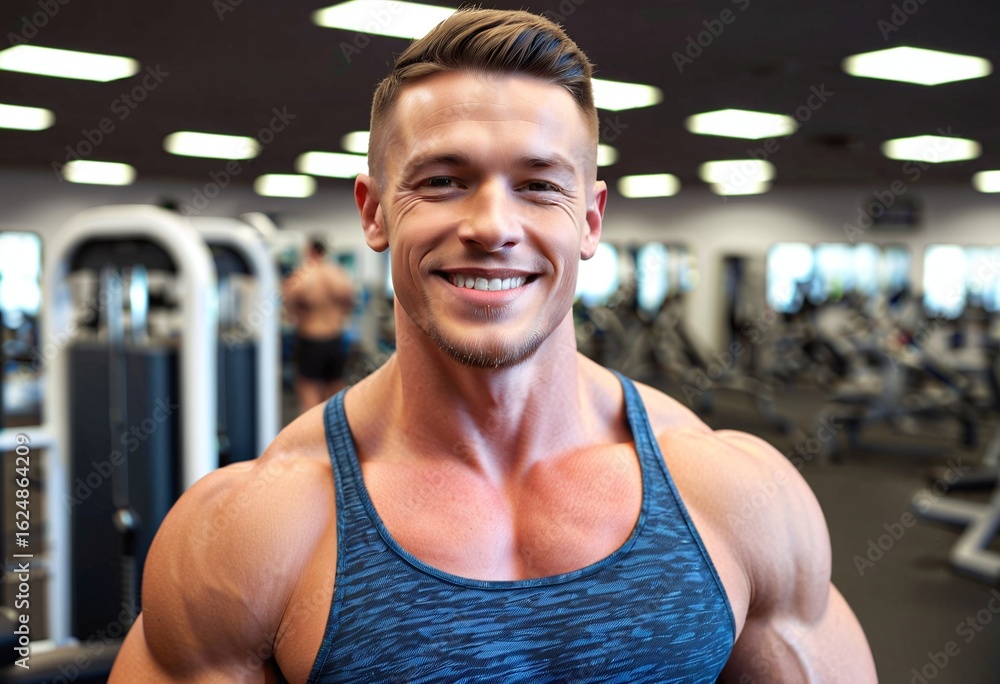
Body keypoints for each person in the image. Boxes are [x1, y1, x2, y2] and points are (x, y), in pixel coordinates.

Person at [110, 8, 878, 682]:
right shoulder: (256, 527)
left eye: (539, 185)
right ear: (373, 213)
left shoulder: (733, 494)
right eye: (443, 181)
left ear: (590, 221)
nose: (492, 226)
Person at [282, 238, 356, 411]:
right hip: (335, 339)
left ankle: (313, 428)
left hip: (311, 340)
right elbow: (351, 303)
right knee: (335, 397)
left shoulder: (302, 276)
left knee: (309, 399)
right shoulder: (338, 274)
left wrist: (299, 314)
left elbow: (288, 303)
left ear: (309, 250)